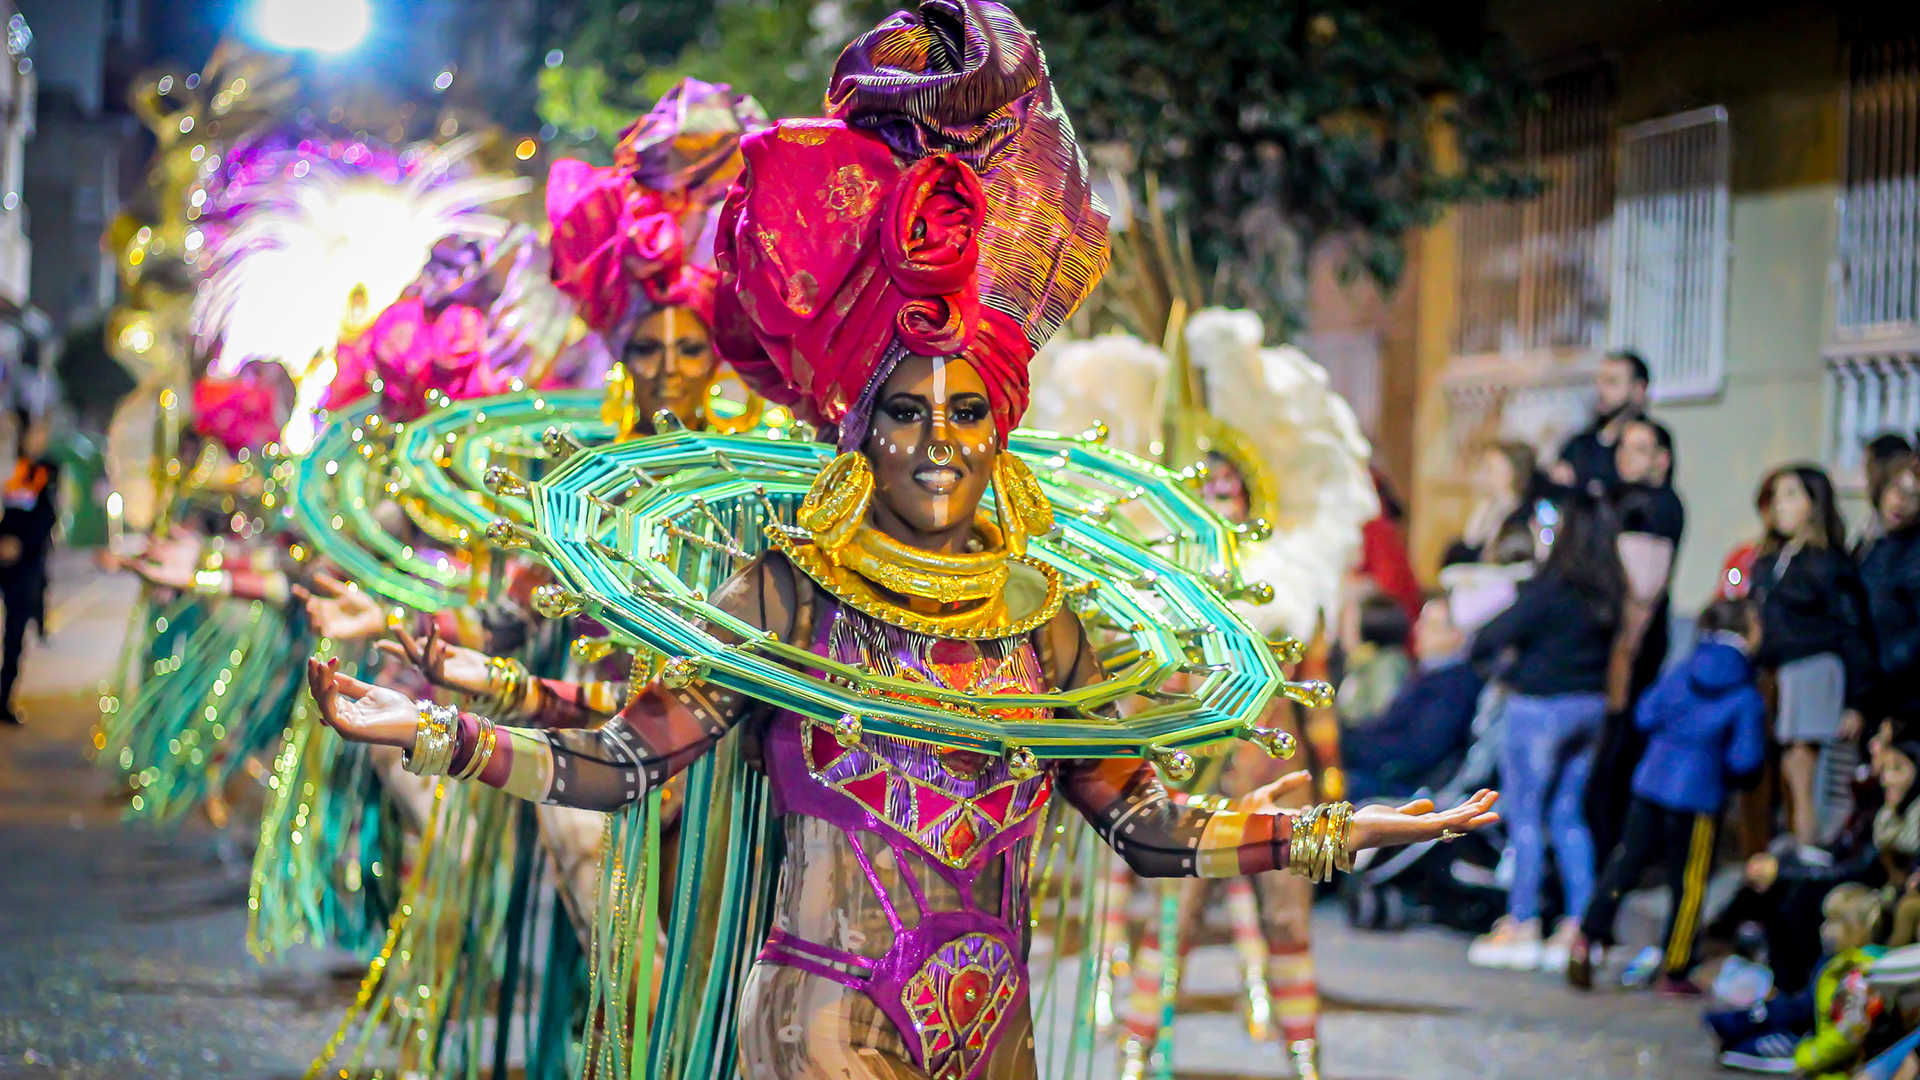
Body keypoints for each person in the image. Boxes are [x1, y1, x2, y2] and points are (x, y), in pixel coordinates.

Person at [300, 6, 1503, 1076]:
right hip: (824, 1024)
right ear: (859, 430)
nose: (938, 442)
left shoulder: (1048, 620)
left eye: (966, 410)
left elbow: (1147, 827)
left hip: (994, 1032)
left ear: (1002, 427)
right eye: (906, 412)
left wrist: (1349, 828)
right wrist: (434, 731)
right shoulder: (785, 594)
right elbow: (623, 762)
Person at [1570, 597, 1767, 994]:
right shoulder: (1746, 693)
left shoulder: (1683, 669)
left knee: (1624, 863)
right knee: (1689, 882)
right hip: (1699, 795)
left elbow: (1645, 714)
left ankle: (1587, 936)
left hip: (1651, 782)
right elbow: (1746, 759)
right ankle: (1674, 967)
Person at [1466, 489, 1624, 972]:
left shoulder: (1549, 587)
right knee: (1568, 817)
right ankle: (1578, 926)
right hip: (1589, 708)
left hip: (1539, 709)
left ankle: (1523, 923)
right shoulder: (1607, 589)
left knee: (1527, 817)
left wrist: (1500, 668)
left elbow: (1489, 635)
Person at [1750, 464, 1876, 850]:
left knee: (1804, 771)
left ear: (1814, 503)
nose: (1780, 505)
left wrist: (1857, 701)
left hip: (1813, 668)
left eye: (1792, 494)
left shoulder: (1826, 562)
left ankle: (1809, 853)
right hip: (1780, 672)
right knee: (1789, 770)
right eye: (1777, 495)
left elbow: (1853, 631)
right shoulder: (1772, 558)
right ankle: (1798, 848)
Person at [1588, 415, 1688, 863]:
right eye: (1624, 447)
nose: (1628, 456)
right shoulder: (1624, 498)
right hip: (1613, 651)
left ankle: (1612, 862)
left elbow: (1641, 600)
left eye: (1641, 448)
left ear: (1663, 459)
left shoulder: (1654, 506)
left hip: (1628, 654)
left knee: (1613, 762)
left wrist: (1619, 672)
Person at [1341, 594, 1487, 805]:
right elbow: (1387, 726)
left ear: (1457, 636)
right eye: (1421, 621)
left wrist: (1350, 746)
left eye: (1431, 625)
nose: (1418, 629)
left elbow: (1417, 751)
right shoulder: (1429, 674)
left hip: (1409, 789)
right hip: (1382, 769)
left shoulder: (1454, 687)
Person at [0, 409, 58, 725]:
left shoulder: (43, 472)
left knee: (14, 636)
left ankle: (3, 698)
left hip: (23, 568)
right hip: (8, 562)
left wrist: (18, 545)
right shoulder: (10, 468)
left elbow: (46, 519)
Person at [1550, 349, 1668, 498]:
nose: (1601, 390)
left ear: (1639, 389)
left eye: (1612, 382)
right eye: (1599, 381)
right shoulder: (1579, 445)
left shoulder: (1650, 442)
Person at [1860, 456, 1920, 741]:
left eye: (1915, 495)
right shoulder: (1872, 544)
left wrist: (1882, 666)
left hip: (1901, 697)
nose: (1901, 502)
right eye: (1897, 489)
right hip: (1871, 689)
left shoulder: (1912, 553)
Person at [1441, 441, 1538, 569]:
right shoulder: (1491, 505)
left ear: (1512, 472)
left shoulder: (1524, 514)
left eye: (1491, 469)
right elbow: (1470, 542)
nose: (1485, 475)